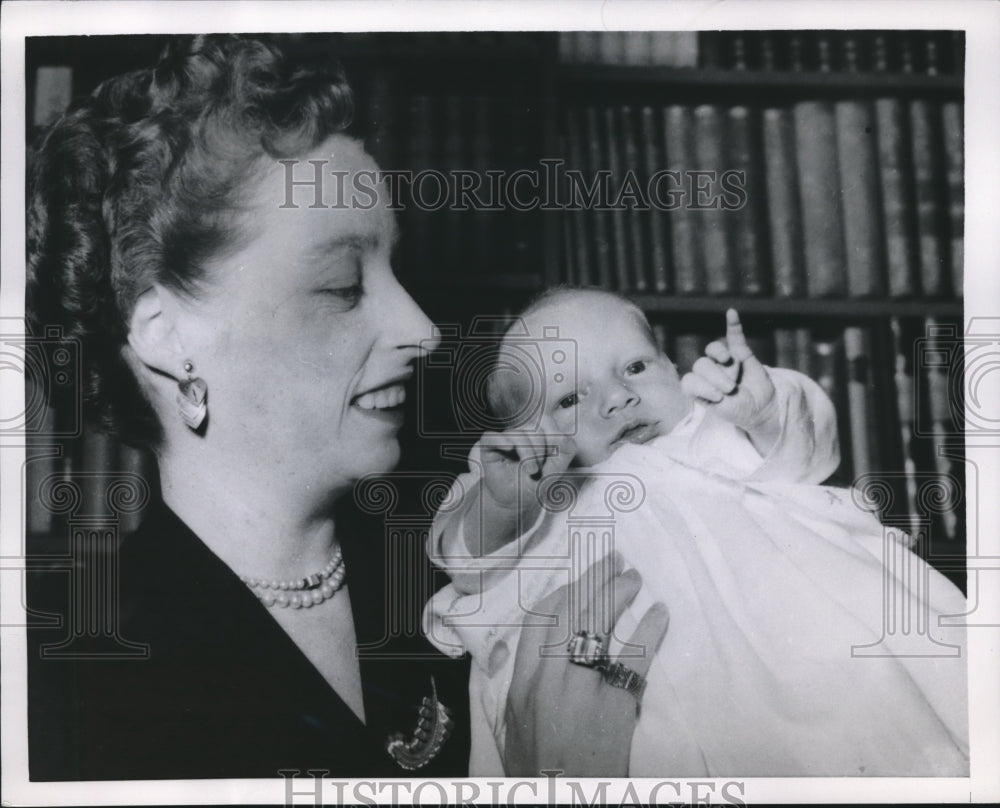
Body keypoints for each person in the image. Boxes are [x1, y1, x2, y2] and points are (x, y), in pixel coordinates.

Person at [25, 36, 666, 780]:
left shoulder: (488, 548)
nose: (422, 330)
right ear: (168, 337)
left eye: (394, 266)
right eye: (342, 286)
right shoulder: (78, 689)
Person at [425, 287, 969, 776]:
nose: (616, 398)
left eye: (635, 367)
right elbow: (465, 561)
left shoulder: (705, 433)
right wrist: (501, 501)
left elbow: (806, 451)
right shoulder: (543, 494)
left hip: (796, 632)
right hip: (643, 688)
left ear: (670, 363)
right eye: (569, 399)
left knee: (877, 707)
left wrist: (762, 409)